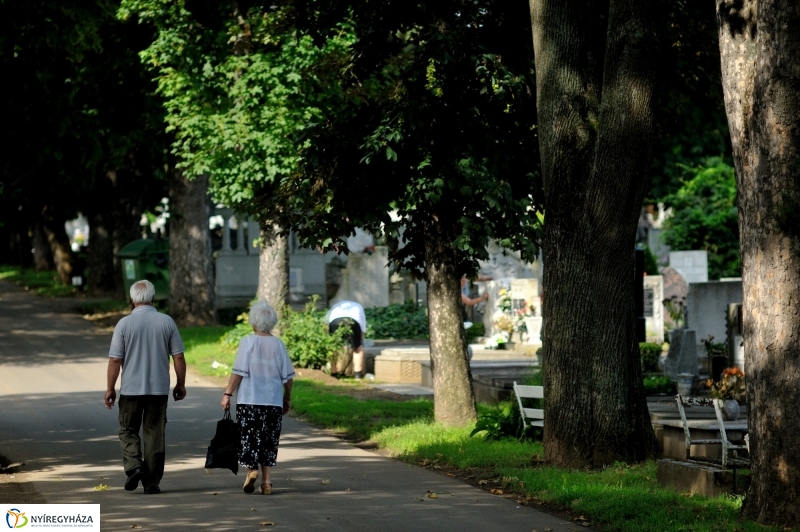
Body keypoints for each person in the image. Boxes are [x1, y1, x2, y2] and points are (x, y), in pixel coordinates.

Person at [105, 280, 186, 494]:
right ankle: (151, 482)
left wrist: (110, 388)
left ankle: (134, 466)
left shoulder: (124, 324)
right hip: (158, 390)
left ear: (132, 299)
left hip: (131, 389)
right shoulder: (166, 322)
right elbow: (178, 357)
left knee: (128, 429)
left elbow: (115, 360)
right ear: (153, 297)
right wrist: (180, 384)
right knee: (154, 435)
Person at [221, 301, 295, 495]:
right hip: (272, 401)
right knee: (270, 440)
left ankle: (252, 470)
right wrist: (287, 398)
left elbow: (238, 372)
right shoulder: (279, 345)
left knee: (249, 438)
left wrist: (227, 393)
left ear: (253, 321)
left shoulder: (248, 341)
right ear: (272, 322)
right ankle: (267, 482)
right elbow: (288, 377)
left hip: (249, 400)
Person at [327, 300, 367, 379]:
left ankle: (334, 373)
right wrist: (359, 342)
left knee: (333, 348)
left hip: (335, 321)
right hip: (352, 321)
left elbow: (326, 323)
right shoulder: (358, 306)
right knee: (358, 348)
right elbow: (363, 328)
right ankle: (357, 374)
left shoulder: (336, 305)